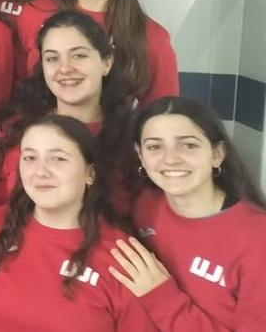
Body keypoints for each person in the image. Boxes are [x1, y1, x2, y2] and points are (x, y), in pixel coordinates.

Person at [0, 115, 155, 331]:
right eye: (30, 158)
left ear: (90, 174)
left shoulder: (123, 256)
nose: (40, 171)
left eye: (58, 158)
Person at [107, 97, 266, 330]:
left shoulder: (257, 239)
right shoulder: (145, 207)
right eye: (154, 146)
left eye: (188, 145)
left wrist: (161, 297)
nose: (170, 158)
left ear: (217, 154)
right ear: (140, 156)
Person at [0, 10, 139, 214]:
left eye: (78, 55)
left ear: (106, 62)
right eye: (52, 58)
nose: (65, 68)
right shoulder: (15, 130)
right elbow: (0, 209)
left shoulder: (136, 137)